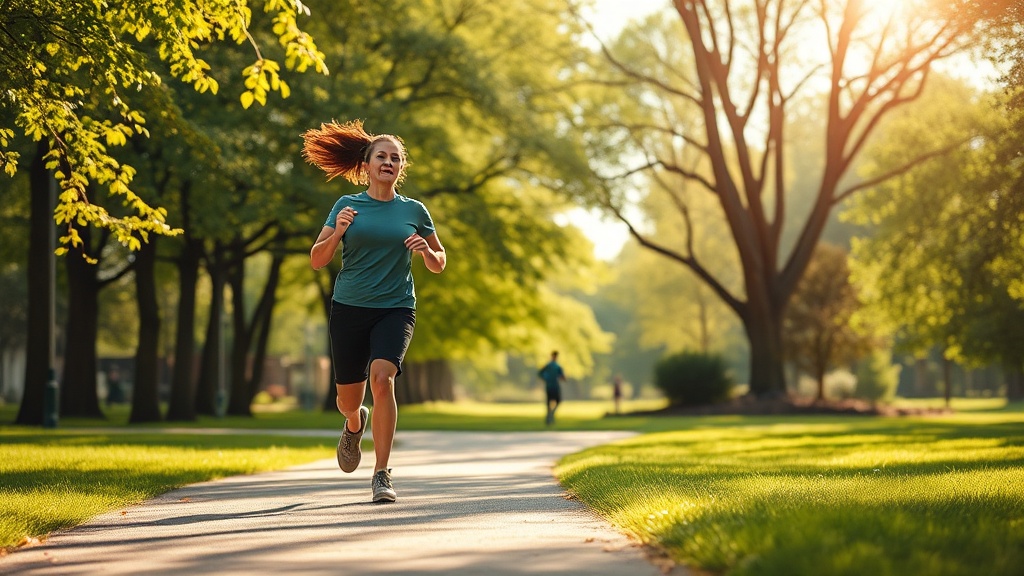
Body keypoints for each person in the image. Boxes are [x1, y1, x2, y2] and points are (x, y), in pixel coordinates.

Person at [305, 119, 446, 503]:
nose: (389, 162)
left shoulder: (414, 210)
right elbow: (317, 260)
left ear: (401, 168)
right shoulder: (346, 206)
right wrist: (338, 232)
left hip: (396, 307)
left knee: (383, 379)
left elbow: (439, 262)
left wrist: (427, 251)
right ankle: (354, 424)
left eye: (395, 158)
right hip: (350, 307)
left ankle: (381, 474)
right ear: (365, 166)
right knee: (347, 401)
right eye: (381, 156)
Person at [538, 351, 566, 426]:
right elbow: (540, 373)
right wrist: (547, 378)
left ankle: (550, 415)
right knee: (552, 402)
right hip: (552, 386)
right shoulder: (551, 366)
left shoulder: (555, 366)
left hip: (553, 386)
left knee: (554, 401)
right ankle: (550, 416)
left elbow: (562, 376)